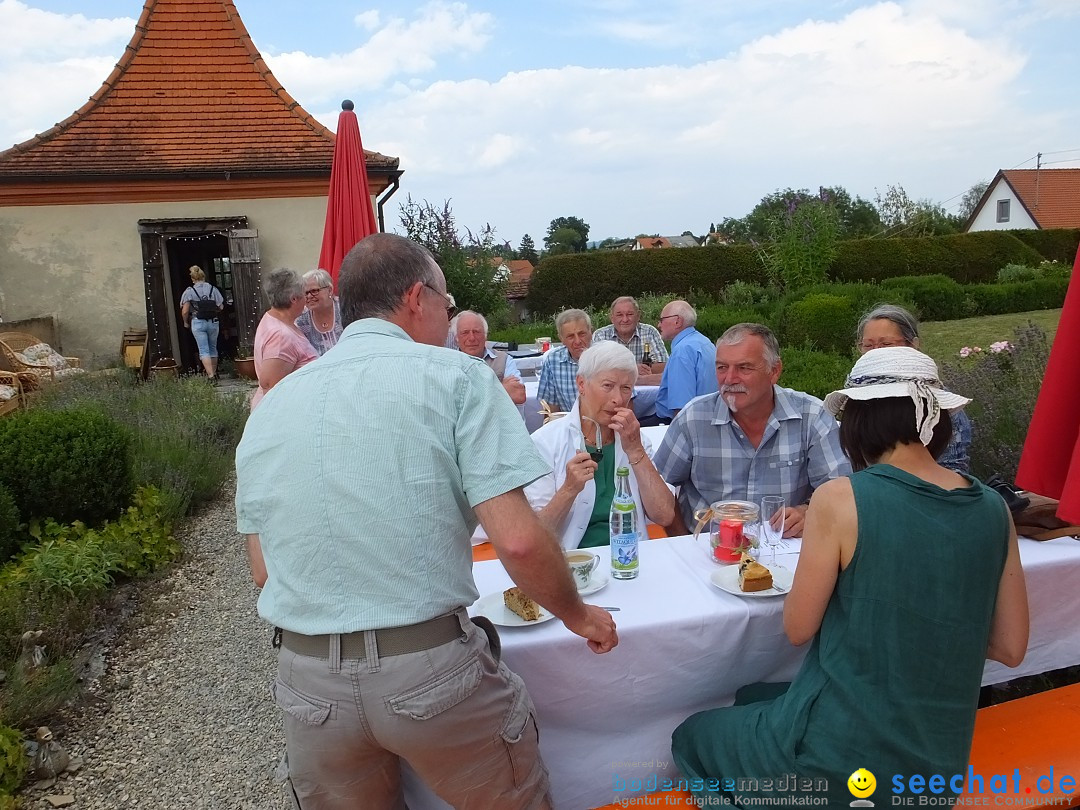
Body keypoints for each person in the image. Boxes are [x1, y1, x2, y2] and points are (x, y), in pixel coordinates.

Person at [235, 233, 617, 810]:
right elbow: (516, 538)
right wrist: (580, 615)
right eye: (445, 301)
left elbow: (264, 574)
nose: (447, 314)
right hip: (430, 671)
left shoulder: (271, 407)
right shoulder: (458, 378)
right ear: (417, 298)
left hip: (308, 683)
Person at [670, 346, 1029, 807]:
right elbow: (1010, 648)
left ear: (856, 422)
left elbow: (797, 628)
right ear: (939, 421)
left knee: (693, 734)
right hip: (936, 770)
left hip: (839, 762)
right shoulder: (994, 508)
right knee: (754, 696)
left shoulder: (842, 499)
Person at [654, 323, 850, 537]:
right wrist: (683, 540)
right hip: (708, 552)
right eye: (721, 367)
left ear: (774, 371)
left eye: (744, 367)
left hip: (784, 551)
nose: (729, 379)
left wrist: (808, 512)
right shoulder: (693, 417)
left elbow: (840, 491)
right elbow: (658, 487)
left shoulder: (811, 417)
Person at [525, 342, 676, 549]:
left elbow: (664, 515)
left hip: (628, 558)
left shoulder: (634, 441)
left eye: (625, 388)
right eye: (608, 386)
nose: (617, 399)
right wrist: (569, 489)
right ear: (581, 384)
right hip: (571, 562)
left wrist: (636, 450)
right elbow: (533, 534)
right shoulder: (545, 442)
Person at [857, 303, 973, 473]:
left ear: (913, 345)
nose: (876, 352)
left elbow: (952, 472)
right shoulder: (857, 402)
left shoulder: (940, 406)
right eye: (868, 345)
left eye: (886, 344)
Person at [250, 268, 317, 411]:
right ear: (294, 299)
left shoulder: (275, 318)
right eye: (304, 294)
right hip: (281, 416)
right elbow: (270, 386)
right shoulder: (281, 337)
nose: (306, 300)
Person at [654, 300, 718, 423]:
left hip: (686, 423)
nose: (659, 325)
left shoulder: (682, 351)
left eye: (661, 320)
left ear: (677, 321)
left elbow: (682, 408)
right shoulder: (704, 342)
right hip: (712, 417)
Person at [451, 309, 525, 405]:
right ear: (456, 338)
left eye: (476, 332)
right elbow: (450, 403)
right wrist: (500, 388)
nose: (472, 338)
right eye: (465, 332)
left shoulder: (504, 359)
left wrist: (469, 397)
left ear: (485, 336)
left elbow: (518, 395)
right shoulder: (449, 364)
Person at [593, 296, 669, 377]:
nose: (625, 319)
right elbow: (594, 367)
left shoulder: (649, 332)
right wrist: (633, 369)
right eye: (619, 315)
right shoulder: (601, 335)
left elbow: (664, 365)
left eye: (630, 314)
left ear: (638, 316)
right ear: (612, 318)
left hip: (645, 388)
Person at [537, 308, 592, 412]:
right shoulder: (553, 360)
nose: (577, 341)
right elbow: (550, 408)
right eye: (570, 336)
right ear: (561, 339)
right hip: (569, 425)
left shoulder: (606, 357)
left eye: (582, 334)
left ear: (591, 332)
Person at [179, 265, 224, 382]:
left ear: (193, 279)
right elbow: (221, 306)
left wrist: (185, 322)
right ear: (203, 276)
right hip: (213, 322)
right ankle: (214, 372)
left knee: (204, 350)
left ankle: (210, 376)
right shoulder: (213, 289)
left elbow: (185, 311)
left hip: (198, 322)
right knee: (213, 348)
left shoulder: (189, 291)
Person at [295, 268, 343, 355]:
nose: (309, 296)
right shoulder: (301, 321)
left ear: (330, 290)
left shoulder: (345, 309)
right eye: (305, 293)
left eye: (314, 291)